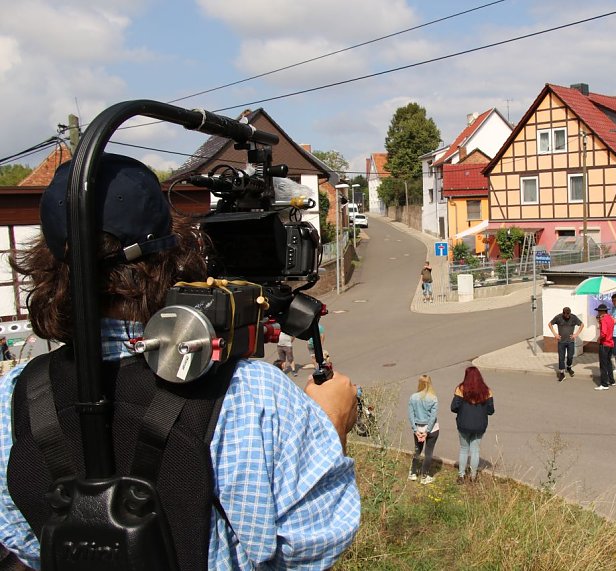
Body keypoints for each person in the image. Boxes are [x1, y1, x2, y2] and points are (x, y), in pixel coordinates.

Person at [0, 154, 360, 569]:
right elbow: (313, 545)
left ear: (49, 265)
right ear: (174, 252)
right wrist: (332, 422)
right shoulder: (251, 395)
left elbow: (26, 543)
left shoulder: (18, 396)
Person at [451, 366, 494, 484]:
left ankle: (461, 476)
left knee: (464, 450)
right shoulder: (487, 391)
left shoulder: (460, 389)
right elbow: (491, 411)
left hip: (463, 425)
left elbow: (454, 407)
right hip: (480, 426)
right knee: (475, 451)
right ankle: (473, 476)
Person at [408, 374, 440, 485]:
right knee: (428, 452)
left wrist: (415, 430)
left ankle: (413, 473)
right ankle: (424, 476)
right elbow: (433, 417)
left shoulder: (413, 397)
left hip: (418, 427)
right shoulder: (433, 398)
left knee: (417, 450)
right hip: (432, 430)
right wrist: (427, 431)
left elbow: (411, 414)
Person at [548, 307, 584, 382]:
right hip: (561, 342)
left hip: (570, 341)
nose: (568, 315)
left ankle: (569, 367)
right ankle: (562, 373)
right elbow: (550, 324)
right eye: (566, 314)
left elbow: (582, 325)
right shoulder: (558, 317)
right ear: (563, 313)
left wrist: (576, 334)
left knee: (570, 356)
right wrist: (555, 334)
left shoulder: (573, 317)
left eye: (569, 314)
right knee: (561, 357)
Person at [595, 303, 615, 390]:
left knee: (603, 364)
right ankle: (611, 380)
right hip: (610, 343)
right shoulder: (610, 318)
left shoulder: (603, 319)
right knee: (608, 363)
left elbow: (604, 333)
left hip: (604, 344)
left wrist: (599, 339)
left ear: (602, 311)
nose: (598, 313)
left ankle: (604, 384)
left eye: (599, 311)